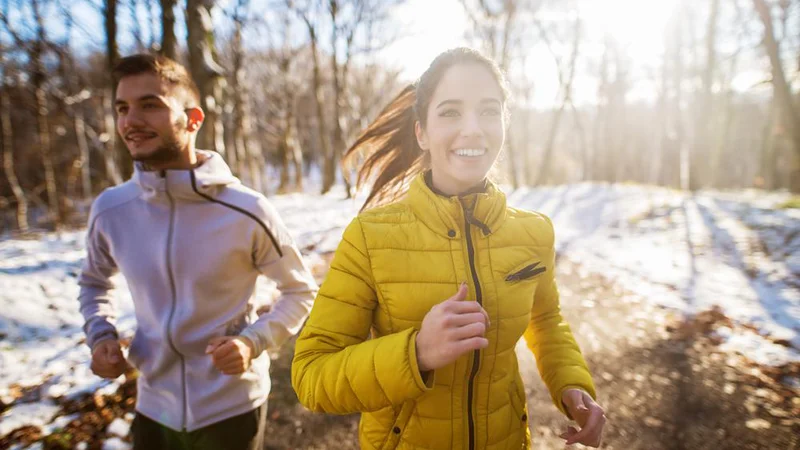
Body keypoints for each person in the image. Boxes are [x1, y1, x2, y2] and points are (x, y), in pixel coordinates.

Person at [291, 47, 605, 449]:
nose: (473, 128)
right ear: (421, 132)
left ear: (505, 124)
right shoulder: (370, 237)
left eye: (489, 111)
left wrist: (572, 384)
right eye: (451, 112)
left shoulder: (534, 232)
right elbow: (311, 374)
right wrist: (416, 352)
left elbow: (545, 322)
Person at [77, 54, 318, 450]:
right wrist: (99, 334)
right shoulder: (111, 209)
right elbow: (93, 282)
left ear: (193, 119)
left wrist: (252, 342)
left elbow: (300, 291)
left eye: (150, 105)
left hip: (231, 409)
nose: (130, 121)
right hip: (153, 408)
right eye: (122, 108)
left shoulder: (247, 210)